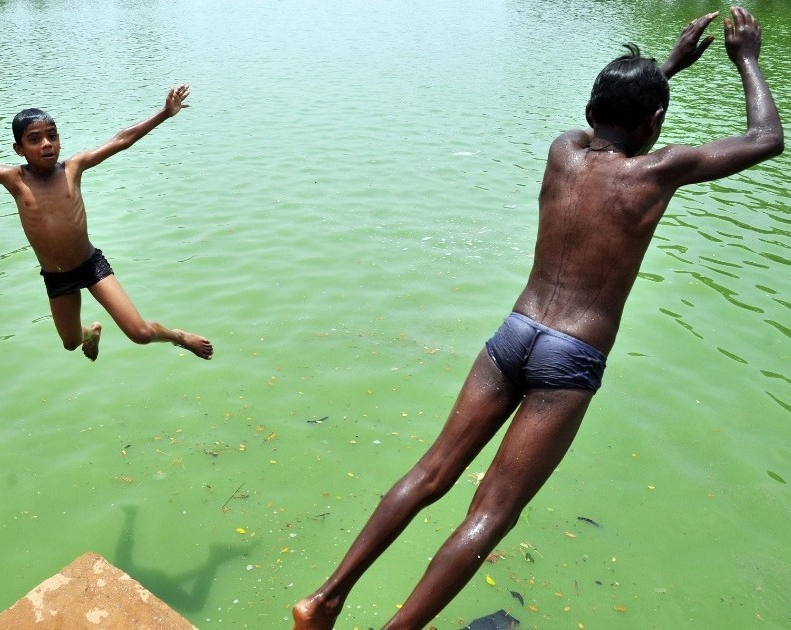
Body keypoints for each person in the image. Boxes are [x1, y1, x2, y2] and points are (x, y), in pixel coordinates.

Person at [293, 7, 782, 629]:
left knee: (431, 471)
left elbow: (611, 117)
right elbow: (764, 139)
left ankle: (323, 600)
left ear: (590, 113)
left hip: (514, 334)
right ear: (655, 121)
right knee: (491, 513)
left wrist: (663, 70)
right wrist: (746, 60)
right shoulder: (658, 172)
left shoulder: (564, 152)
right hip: (569, 356)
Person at [0, 85, 213, 362]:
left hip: (90, 265)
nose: (47, 144)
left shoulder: (72, 168)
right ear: (19, 149)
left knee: (140, 334)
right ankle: (92, 333)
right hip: (56, 276)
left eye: (52, 136)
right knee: (71, 342)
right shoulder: (12, 178)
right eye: (35, 139)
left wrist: (164, 113)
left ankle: (178, 337)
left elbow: (122, 140)